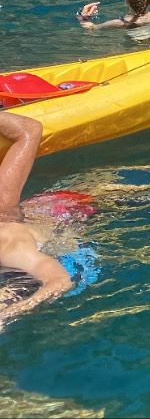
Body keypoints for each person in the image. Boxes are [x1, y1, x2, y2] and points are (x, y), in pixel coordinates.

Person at [0, 111, 72, 323]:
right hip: (35, 210)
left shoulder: (10, 245)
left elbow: (59, 281)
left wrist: (8, 314)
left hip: (72, 210)